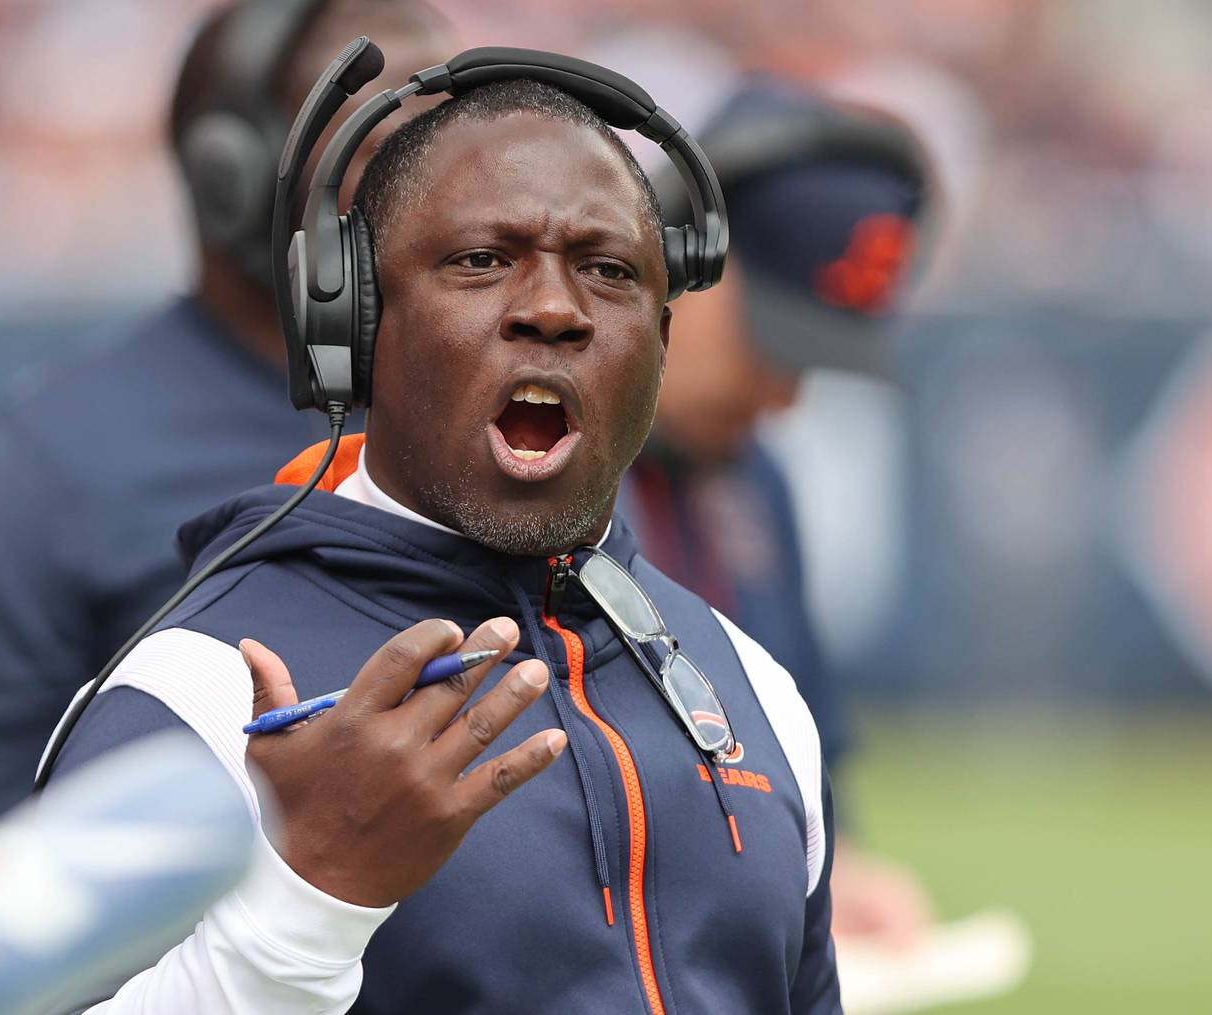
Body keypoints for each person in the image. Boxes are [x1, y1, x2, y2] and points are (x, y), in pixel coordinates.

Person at [45, 75, 840, 1012]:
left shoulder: (758, 691)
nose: (554, 307)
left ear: (660, 340)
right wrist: (307, 904)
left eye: (609, 270)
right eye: (480, 259)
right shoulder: (199, 692)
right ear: (355, 325)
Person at [0, 0, 450, 882]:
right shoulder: (34, 475)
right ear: (233, 177)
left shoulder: (483, 432)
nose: (449, 179)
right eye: (383, 137)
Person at [620, 80, 936, 945]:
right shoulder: (510, 474)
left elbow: (806, 767)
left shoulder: (756, 481)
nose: (785, 398)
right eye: (773, 340)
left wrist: (843, 870)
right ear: (675, 250)